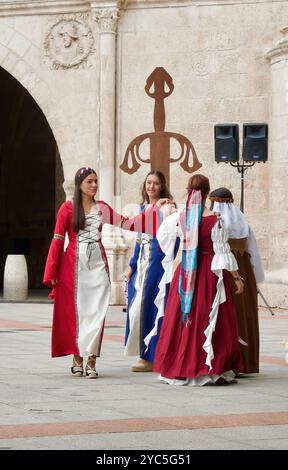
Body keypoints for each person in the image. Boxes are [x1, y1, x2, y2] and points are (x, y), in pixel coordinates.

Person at [43, 167, 165, 378]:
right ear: (80, 183)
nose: (94, 185)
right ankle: (77, 357)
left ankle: (91, 361)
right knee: (79, 313)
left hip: (99, 267)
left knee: (97, 312)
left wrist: (154, 211)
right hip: (74, 267)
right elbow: (57, 240)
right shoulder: (67, 208)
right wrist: (51, 270)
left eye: (96, 181)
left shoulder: (103, 208)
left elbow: (128, 223)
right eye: (89, 181)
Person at [153, 174, 244, 386]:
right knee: (208, 318)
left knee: (184, 318)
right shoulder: (215, 219)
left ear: (189, 191)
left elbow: (163, 239)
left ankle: (181, 366)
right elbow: (222, 251)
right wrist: (237, 277)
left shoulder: (180, 217)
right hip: (208, 273)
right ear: (207, 192)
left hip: (186, 272)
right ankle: (209, 367)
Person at [124, 171, 179, 372]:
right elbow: (139, 242)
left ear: (162, 186)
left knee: (153, 306)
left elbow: (174, 237)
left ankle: (151, 356)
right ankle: (144, 353)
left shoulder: (168, 207)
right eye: (149, 182)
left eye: (156, 183)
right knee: (136, 306)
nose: (151, 187)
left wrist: (165, 258)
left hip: (157, 263)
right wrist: (131, 266)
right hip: (141, 263)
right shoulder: (142, 208)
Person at [209, 187, 264, 374]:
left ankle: (230, 363)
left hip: (226, 271)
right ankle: (246, 363)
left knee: (229, 314)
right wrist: (256, 279)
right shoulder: (244, 225)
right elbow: (253, 254)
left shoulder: (217, 225)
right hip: (245, 273)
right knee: (244, 314)